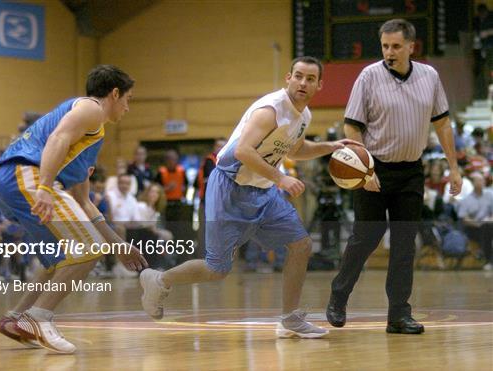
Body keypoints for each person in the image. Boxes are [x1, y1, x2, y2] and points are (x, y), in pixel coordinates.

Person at [140, 56, 361, 339]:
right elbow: (244, 151)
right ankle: (159, 279)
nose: (303, 83)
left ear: (320, 85)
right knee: (217, 269)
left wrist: (330, 146)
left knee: (302, 245)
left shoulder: (303, 116)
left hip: (263, 191)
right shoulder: (270, 110)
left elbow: (294, 149)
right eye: (299, 76)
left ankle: (290, 318)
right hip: (230, 186)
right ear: (288, 78)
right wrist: (281, 178)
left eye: (310, 79)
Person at [0, 65, 147, 353]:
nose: (128, 107)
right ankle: (38, 318)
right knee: (88, 248)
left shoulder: (91, 137)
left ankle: (15, 318)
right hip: (25, 176)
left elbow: (84, 202)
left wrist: (119, 245)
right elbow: (57, 139)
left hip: (8, 183)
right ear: (114, 93)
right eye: (128, 99)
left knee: (61, 261)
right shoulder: (91, 109)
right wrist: (46, 187)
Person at [325, 19, 462, 335]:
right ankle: (338, 297)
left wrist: (454, 168)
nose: (389, 52)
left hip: (411, 172)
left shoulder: (430, 77)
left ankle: (399, 315)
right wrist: (364, 168)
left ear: (412, 46)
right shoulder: (368, 77)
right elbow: (352, 126)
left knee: (404, 245)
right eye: (385, 46)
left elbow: (442, 124)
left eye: (396, 46)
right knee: (365, 238)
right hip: (375, 170)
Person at [458, 172, 493, 270]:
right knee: (486, 230)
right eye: (479, 180)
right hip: (473, 228)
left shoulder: (490, 195)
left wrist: (489, 220)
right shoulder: (466, 199)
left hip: (488, 225)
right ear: (473, 183)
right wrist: (478, 224)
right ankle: (488, 260)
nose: (483, 182)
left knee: (487, 228)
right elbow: (464, 219)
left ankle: (486, 258)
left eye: (483, 180)